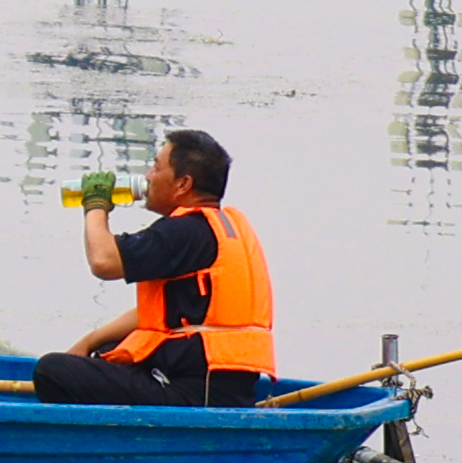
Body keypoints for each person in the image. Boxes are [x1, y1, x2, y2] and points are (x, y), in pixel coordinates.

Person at [33, 128, 279, 407]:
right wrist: (90, 341)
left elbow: (104, 261)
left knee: (51, 370)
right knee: (110, 350)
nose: (148, 176)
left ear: (183, 184)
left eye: (156, 166)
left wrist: (95, 205)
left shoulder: (184, 231)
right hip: (225, 388)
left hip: (196, 393)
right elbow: (160, 312)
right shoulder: (220, 228)